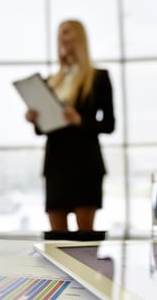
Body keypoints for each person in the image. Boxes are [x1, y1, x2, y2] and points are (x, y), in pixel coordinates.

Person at [25, 20, 115, 233]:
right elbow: (42, 130)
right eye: (59, 34)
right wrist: (35, 118)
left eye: (66, 32)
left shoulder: (98, 77)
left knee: (84, 240)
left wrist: (80, 120)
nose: (61, 38)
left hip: (85, 163)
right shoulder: (51, 81)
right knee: (57, 240)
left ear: (79, 37)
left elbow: (110, 124)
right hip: (56, 163)